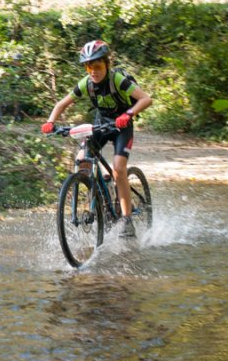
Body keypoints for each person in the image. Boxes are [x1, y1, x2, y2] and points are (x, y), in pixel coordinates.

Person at [41, 39, 152, 238]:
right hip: (101, 124)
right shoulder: (87, 84)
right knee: (83, 159)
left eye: (98, 66)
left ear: (107, 64)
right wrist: (50, 122)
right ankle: (100, 198)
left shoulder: (117, 80)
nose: (94, 71)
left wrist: (128, 114)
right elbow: (61, 104)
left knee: (119, 169)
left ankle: (127, 220)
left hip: (122, 126)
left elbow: (146, 99)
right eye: (89, 67)